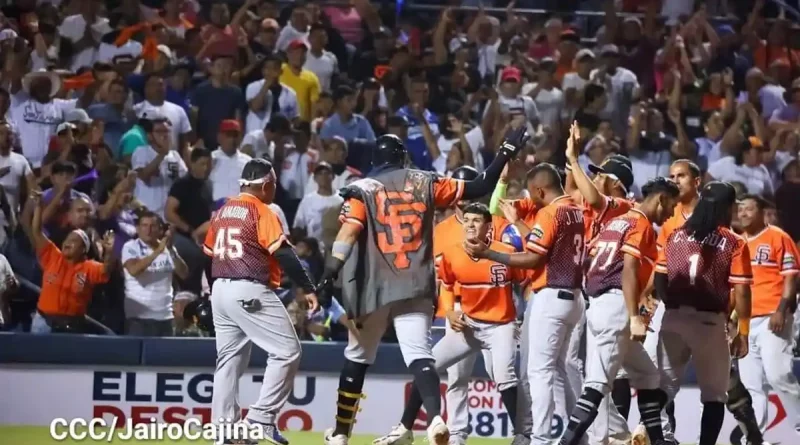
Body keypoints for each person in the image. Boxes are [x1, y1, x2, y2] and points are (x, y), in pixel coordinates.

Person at [320, 128, 529, 445]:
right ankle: (434, 419)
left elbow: (348, 234)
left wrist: (330, 271)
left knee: (358, 356)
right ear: (403, 158)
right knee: (420, 356)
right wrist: (504, 151)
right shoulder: (426, 181)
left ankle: (340, 434)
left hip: (373, 286)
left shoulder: (360, 188)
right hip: (415, 284)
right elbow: (483, 185)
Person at [374, 167, 523, 445]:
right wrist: (451, 309)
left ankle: (524, 433)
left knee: (503, 375)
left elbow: (522, 273)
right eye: (467, 217)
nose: (470, 222)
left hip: (499, 321)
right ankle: (435, 432)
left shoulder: (499, 232)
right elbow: (444, 281)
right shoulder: (443, 235)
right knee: (442, 371)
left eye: (476, 219)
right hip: (462, 319)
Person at [465, 163, 585, 445]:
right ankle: (580, 436)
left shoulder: (549, 211)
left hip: (551, 295)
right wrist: (518, 220)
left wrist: (489, 253)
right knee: (560, 370)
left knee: (539, 372)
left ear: (540, 189)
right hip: (574, 299)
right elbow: (543, 242)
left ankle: (541, 439)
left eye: (533, 193)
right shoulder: (575, 210)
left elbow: (533, 258)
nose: (531, 198)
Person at [203, 158, 318, 445]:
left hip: (220, 288)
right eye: (274, 185)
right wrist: (307, 286)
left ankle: (223, 431)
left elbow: (210, 252)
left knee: (229, 361)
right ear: (265, 185)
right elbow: (284, 253)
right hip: (248, 289)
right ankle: (260, 419)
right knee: (287, 351)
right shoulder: (260, 209)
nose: (275, 190)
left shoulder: (222, 211)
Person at [558, 177, 679, 445]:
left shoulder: (616, 221)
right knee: (597, 386)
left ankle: (657, 441)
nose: (671, 212)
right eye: (671, 205)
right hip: (617, 307)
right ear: (660, 199)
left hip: (601, 304)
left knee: (648, 375)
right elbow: (629, 269)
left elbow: (591, 261)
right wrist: (634, 315)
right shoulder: (642, 224)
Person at [653, 181, 753, 445]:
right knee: (713, 395)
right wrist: (743, 331)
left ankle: (649, 431)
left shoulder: (675, 235)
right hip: (710, 323)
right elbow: (742, 292)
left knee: (663, 387)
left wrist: (671, 304)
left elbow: (659, 279)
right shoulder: (733, 241)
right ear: (728, 207)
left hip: (673, 318)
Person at [737, 195, 800, 436]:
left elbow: (790, 276)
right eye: (740, 209)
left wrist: (781, 310)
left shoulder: (777, 236)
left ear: (762, 212)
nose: (743, 213)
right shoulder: (736, 242)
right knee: (750, 385)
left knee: (778, 375)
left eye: (749, 209)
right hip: (744, 321)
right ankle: (753, 437)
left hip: (772, 317)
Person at [27, 190, 115, 334]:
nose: (67, 243)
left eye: (74, 241)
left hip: (72, 327)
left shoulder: (88, 267)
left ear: (83, 250)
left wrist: (110, 252)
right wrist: (38, 207)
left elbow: (106, 270)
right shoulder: (53, 256)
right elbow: (36, 231)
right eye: (67, 240)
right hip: (43, 323)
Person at [121, 211, 189, 336]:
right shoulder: (130, 247)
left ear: (160, 229)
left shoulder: (168, 249)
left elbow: (184, 274)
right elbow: (134, 270)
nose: (148, 230)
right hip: (138, 318)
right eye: (144, 225)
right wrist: (158, 251)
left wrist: (171, 251)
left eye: (153, 226)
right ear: (138, 228)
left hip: (165, 317)